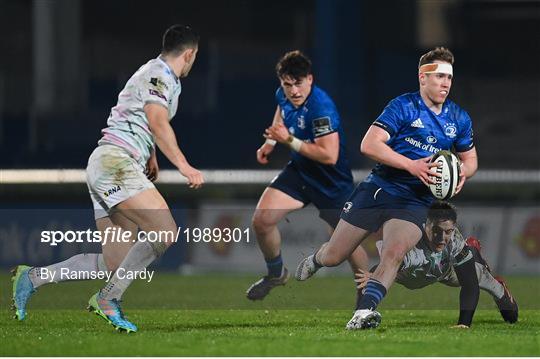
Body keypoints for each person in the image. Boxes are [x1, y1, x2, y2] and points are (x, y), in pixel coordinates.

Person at [11, 24, 204, 333]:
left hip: (108, 163)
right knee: (165, 231)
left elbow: (141, 118)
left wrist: (151, 154)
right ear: (190, 53)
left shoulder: (160, 76)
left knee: (116, 264)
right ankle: (108, 300)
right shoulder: (160, 75)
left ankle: (32, 278)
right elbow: (156, 119)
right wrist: (183, 164)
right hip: (115, 163)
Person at [295, 47, 478, 329]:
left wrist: (460, 173)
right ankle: (318, 258)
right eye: (439, 76)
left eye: (449, 78)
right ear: (422, 77)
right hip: (380, 188)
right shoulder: (402, 106)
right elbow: (369, 144)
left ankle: (363, 313)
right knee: (335, 255)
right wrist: (411, 165)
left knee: (394, 252)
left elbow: (471, 161)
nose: (445, 83)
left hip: (415, 199)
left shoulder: (459, 118)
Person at [246, 50, 368, 300]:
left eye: (298, 84)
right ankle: (276, 273)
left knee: (348, 243)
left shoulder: (321, 108)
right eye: (287, 84)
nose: (293, 91)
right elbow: (281, 111)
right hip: (300, 173)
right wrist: (270, 143)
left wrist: (288, 140)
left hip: (331, 181)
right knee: (262, 220)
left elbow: (329, 155)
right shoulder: (284, 94)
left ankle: (367, 293)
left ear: (310, 79)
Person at [354, 201, 518, 328]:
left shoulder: (454, 240)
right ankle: (472, 251)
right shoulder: (410, 241)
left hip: (446, 271)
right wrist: (363, 308)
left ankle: (480, 261)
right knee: (372, 280)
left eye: (448, 232)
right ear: (426, 226)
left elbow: (470, 285)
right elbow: (383, 269)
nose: (442, 238)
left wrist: (464, 324)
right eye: (437, 231)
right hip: (412, 274)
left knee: (511, 314)